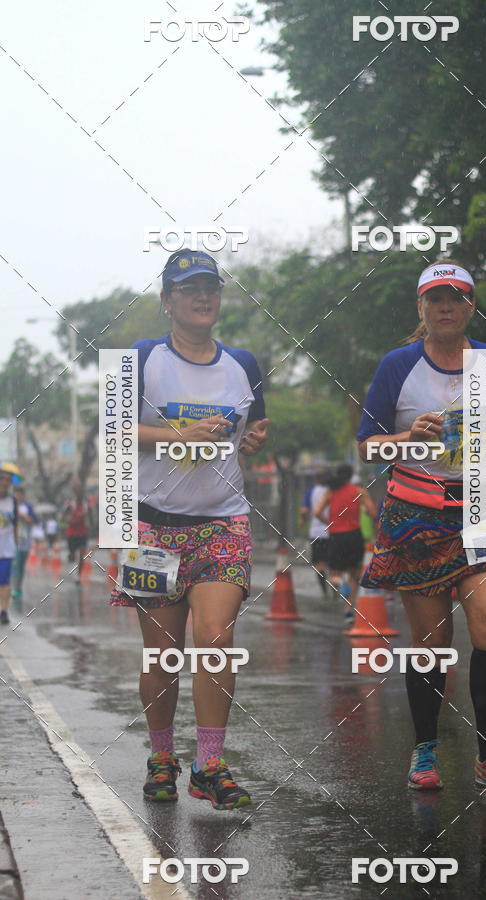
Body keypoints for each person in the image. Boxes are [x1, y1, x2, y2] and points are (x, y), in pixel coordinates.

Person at [357, 259, 486, 795]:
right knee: (432, 641)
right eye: (435, 298)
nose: (445, 307)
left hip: (481, 505)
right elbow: (369, 446)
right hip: (416, 514)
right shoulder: (397, 366)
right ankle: (425, 748)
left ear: (470, 306)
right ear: (421, 308)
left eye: (456, 298)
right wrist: (408, 437)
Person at [110, 249, 268, 809]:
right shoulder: (140, 357)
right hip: (151, 528)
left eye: (211, 287)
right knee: (162, 656)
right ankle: (160, 757)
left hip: (222, 522)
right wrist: (176, 437)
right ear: (167, 301)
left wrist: (251, 438)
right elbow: (113, 432)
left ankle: (209, 763)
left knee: (217, 640)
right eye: (189, 288)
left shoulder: (243, 363)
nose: (203, 297)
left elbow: (256, 421)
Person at [314, 463, 376, 624]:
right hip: (354, 536)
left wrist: (329, 522)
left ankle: (341, 585)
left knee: (335, 573)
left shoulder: (330, 492)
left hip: (336, 536)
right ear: (350, 476)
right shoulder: (359, 491)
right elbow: (372, 512)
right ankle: (349, 610)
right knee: (354, 575)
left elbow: (317, 512)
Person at [299, 470, 330, 596]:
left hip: (316, 533)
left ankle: (325, 592)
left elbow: (304, 511)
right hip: (332, 532)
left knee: (319, 565)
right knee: (333, 565)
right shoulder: (332, 491)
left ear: (315, 480)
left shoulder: (310, 492)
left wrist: (302, 520)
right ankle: (335, 590)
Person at [0, 465, 18, 625]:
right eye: (2, 479)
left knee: (4, 581)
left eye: (8, 481)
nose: (5, 483)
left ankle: (4, 611)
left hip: (6, 549)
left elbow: (15, 525)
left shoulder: (13, 501)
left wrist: (16, 545)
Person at [11, 485, 36, 601]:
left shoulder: (27, 507)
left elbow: (33, 521)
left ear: (23, 495)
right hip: (12, 540)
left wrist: (23, 516)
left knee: (21, 566)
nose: (17, 496)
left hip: (25, 541)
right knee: (15, 565)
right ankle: (14, 589)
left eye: (19, 493)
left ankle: (18, 587)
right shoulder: (9, 506)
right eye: (15, 493)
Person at [63, 484, 90, 582]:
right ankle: (70, 556)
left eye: (81, 492)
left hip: (82, 533)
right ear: (75, 493)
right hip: (71, 533)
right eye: (77, 492)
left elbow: (89, 517)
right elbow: (63, 517)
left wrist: (89, 525)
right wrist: (69, 520)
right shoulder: (70, 504)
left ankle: (78, 575)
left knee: (82, 554)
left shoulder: (85, 505)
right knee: (72, 556)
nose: (79, 494)